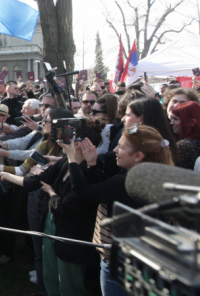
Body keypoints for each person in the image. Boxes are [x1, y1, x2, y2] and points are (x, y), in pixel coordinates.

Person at [63, 124, 174, 296]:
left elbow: (83, 193)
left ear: (138, 155)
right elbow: (102, 195)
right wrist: (92, 164)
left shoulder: (128, 182)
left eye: (121, 147)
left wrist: (72, 159)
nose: (114, 149)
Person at [0, 119, 103, 296]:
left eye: (67, 136)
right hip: (51, 226)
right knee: (50, 276)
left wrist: (52, 192)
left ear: (81, 142)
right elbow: (33, 182)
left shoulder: (90, 171)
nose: (61, 139)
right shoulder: (63, 162)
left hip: (71, 237)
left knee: (70, 284)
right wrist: (3, 174)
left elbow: (67, 205)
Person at [170, 101, 200, 169]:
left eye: (176, 119)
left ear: (191, 122)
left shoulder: (184, 145)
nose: (171, 123)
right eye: (171, 118)